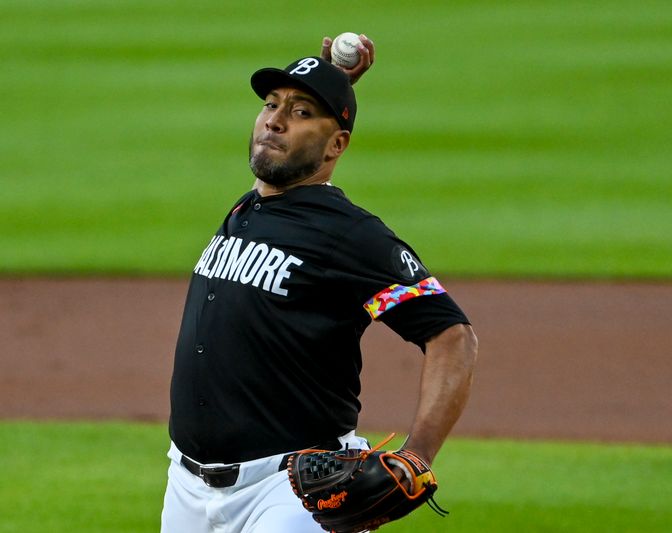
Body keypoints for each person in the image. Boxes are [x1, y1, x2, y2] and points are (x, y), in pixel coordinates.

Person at [160, 34, 478, 533]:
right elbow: (283, 164)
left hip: (289, 494)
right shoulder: (252, 206)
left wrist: (417, 455)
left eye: (302, 113)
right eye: (271, 105)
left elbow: (451, 336)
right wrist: (329, 85)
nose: (275, 120)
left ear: (337, 144)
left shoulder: (350, 234)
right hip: (185, 486)